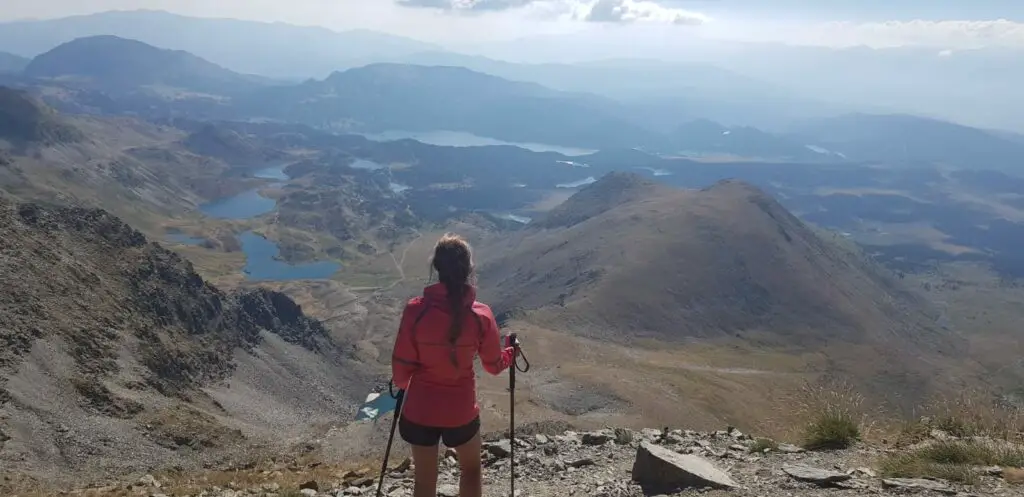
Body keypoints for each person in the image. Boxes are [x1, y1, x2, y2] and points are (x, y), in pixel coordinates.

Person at [391, 233, 517, 497]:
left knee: (424, 482)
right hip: (460, 411)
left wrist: (408, 384)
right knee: (470, 471)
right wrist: (511, 352)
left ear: (436, 267)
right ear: (469, 269)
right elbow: (493, 366)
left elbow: (401, 374)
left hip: (419, 411)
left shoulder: (416, 310)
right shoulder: (481, 314)